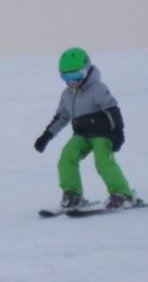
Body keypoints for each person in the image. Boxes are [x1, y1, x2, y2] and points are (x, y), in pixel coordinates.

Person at [33, 47, 134, 210]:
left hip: (103, 134)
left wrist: (118, 133)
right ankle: (72, 194)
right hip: (81, 135)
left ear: (87, 70)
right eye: (66, 77)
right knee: (67, 158)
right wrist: (46, 136)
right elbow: (61, 117)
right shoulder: (67, 94)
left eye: (76, 75)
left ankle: (122, 194)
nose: (72, 81)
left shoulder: (98, 89)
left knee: (103, 162)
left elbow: (112, 110)